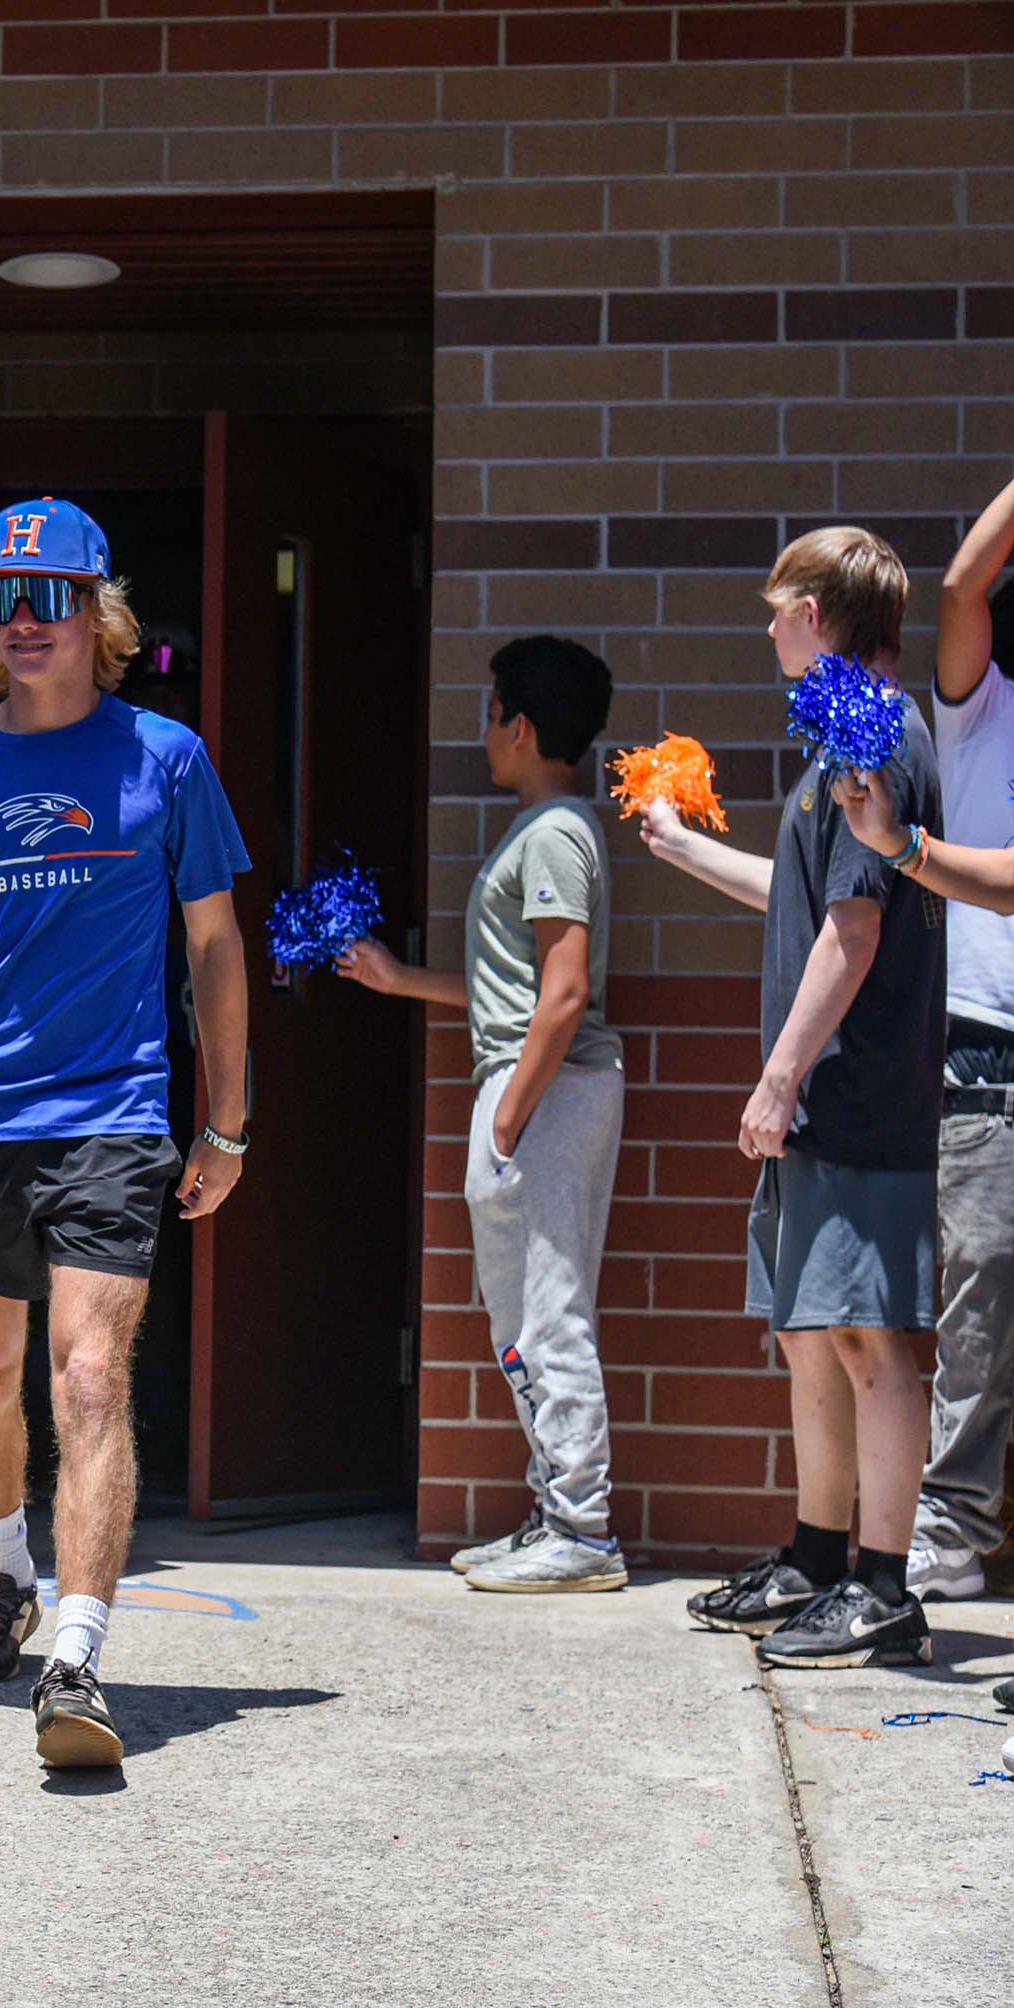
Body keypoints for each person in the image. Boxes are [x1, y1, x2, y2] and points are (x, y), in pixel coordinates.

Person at [0, 497, 252, 1767]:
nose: (24, 622)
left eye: (51, 598)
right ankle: (7, 1573)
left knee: (87, 1374)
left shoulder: (165, 758)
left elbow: (212, 944)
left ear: (98, 614)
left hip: (111, 1109)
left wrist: (227, 1122)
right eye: (4, 601)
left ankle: (75, 1653)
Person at [640, 525, 941, 1668]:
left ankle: (881, 1584)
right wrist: (682, 851)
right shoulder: (834, 744)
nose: (766, 628)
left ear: (816, 615)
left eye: (776, 610)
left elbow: (853, 934)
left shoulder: (876, 738)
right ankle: (817, 1559)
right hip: (824, 1101)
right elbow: (810, 896)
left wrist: (778, 1076)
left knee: (869, 1340)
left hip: (857, 1095)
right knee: (810, 1336)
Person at [339, 637, 628, 1592]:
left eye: (490, 711)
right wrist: (396, 979)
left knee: (548, 1316)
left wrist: (507, 1118)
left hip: (543, 1094)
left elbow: (565, 990)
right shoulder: (544, 829)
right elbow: (511, 991)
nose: (483, 731)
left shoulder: (553, 834)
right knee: (523, 1318)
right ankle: (557, 1512)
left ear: (523, 727)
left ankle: (583, 1529)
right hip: (528, 1088)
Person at [832, 474, 1014, 1604]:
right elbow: (961, 579)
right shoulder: (978, 707)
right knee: (973, 1289)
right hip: (984, 1044)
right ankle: (946, 1522)